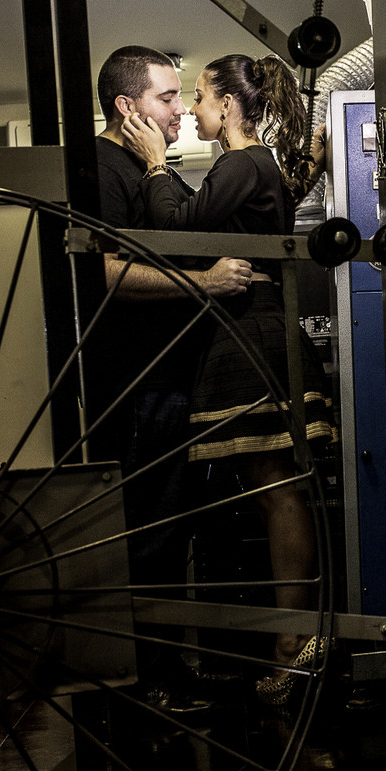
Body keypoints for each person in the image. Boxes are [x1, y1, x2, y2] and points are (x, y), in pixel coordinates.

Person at [119, 53, 335, 705]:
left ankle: (295, 644)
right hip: (252, 329)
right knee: (274, 489)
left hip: (253, 332)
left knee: (276, 490)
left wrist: (155, 165)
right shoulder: (250, 165)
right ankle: (296, 639)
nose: (192, 108)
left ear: (228, 104)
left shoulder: (242, 162)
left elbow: (179, 231)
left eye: (200, 95)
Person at [93, 45, 254, 710]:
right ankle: (150, 681)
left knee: (175, 527)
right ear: (126, 106)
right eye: (166, 98)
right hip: (142, 383)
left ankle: (170, 668)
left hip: (172, 377)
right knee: (151, 533)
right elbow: (102, 271)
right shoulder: (102, 169)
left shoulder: (147, 167)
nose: (182, 109)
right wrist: (204, 283)